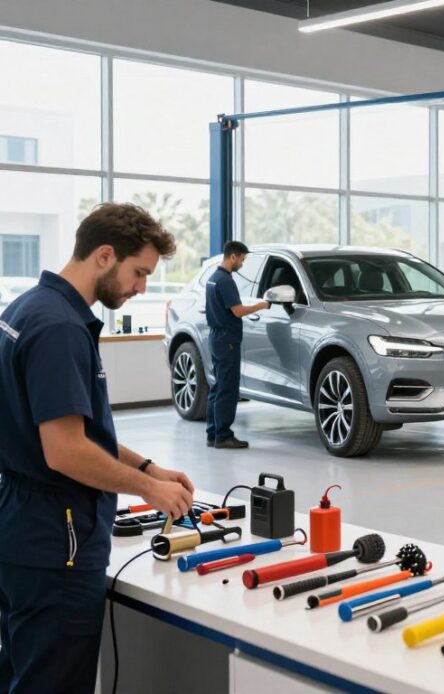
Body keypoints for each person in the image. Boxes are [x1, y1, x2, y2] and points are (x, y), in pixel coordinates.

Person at [0, 202, 196, 691]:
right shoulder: (61, 329)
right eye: (139, 273)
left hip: (22, 526)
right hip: (56, 540)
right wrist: (146, 491)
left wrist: (151, 468)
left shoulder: (28, 309)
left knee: (21, 674)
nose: (141, 288)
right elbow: (65, 452)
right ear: (105, 256)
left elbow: (80, 430)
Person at [205, 241, 270, 449]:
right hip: (227, 342)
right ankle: (223, 436)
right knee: (228, 389)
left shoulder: (212, 279)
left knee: (217, 387)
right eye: (242, 259)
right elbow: (237, 311)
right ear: (232, 257)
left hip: (216, 338)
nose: (242, 264)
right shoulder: (225, 281)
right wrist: (260, 305)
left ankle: (212, 433)